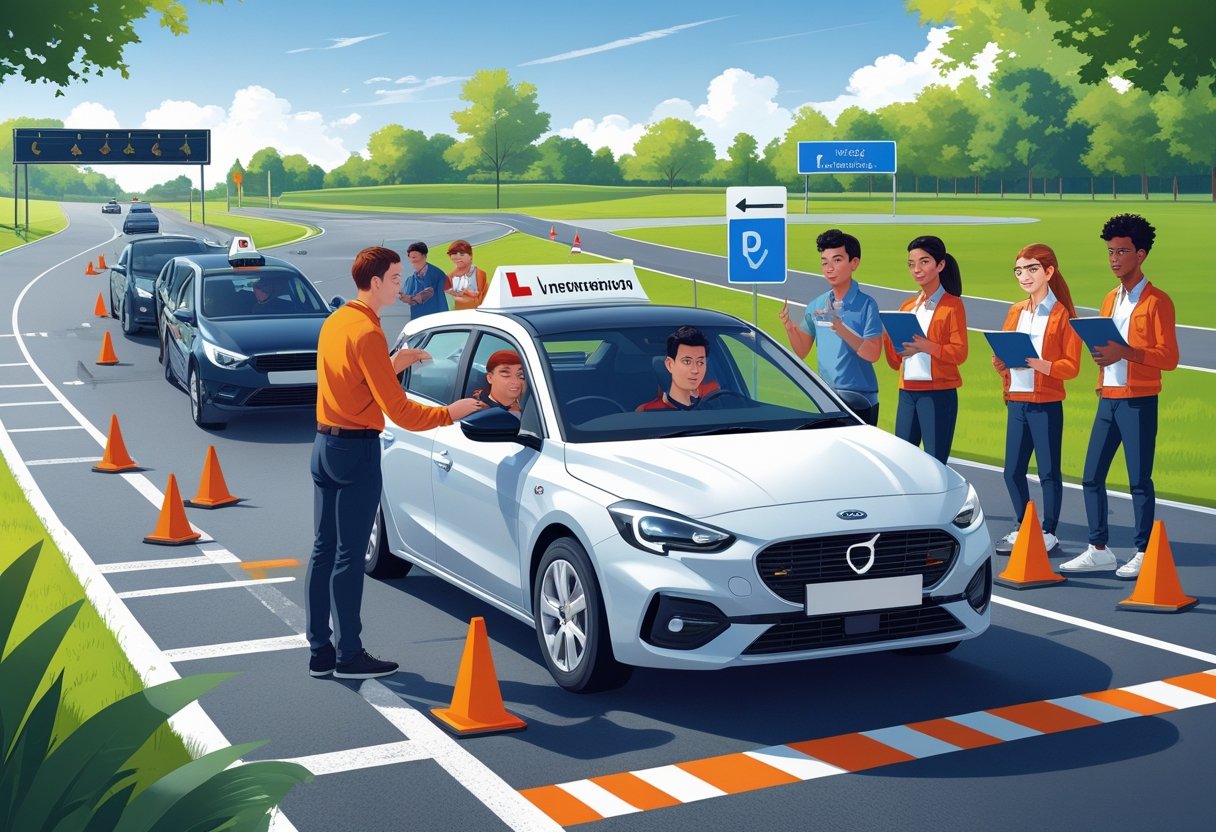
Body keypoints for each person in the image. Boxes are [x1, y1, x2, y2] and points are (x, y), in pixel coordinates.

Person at [308, 245, 485, 680]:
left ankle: (320, 652)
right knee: (350, 556)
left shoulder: (337, 321)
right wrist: (451, 412)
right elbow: (401, 412)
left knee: (323, 550)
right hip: (356, 452)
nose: (399, 285)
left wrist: (393, 363)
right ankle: (350, 655)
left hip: (324, 446)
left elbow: (353, 381)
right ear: (374, 283)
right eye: (393, 278)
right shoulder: (369, 332)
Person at [1061, 214, 1178, 578]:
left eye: (1122, 252)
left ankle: (1143, 551)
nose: (1114, 259)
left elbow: (1169, 358)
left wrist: (1124, 353)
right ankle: (1099, 549)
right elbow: (1108, 345)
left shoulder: (1158, 302)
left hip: (1139, 401)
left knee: (1138, 480)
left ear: (1140, 254)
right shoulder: (1110, 299)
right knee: (1091, 476)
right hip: (1108, 398)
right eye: (1110, 252)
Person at [991, 244, 1081, 555]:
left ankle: (1049, 531)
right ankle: (1024, 524)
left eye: (1031, 269)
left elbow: (1072, 366)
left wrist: (1043, 365)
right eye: (1019, 271)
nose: (1024, 276)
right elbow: (1003, 353)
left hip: (1046, 404)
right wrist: (1000, 363)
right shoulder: (1015, 311)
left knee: (1048, 472)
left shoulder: (1063, 315)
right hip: (1017, 400)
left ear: (1049, 272)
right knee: (1012, 470)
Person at [778, 228, 882, 425]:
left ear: (854, 263)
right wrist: (789, 326)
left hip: (860, 399)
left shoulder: (867, 305)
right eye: (824, 262)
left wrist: (840, 328)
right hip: (827, 396)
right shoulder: (817, 304)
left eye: (837, 260)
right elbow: (802, 350)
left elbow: (873, 353)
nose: (829, 268)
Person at [882, 235, 968, 464]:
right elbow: (895, 362)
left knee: (935, 462)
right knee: (903, 459)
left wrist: (926, 346)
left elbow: (959, 352)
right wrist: (886, 336)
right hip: (907, 391)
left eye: (924, 262)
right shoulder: (907, 306)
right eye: (911, 264)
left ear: (940, 265)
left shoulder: (952, 306)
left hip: (938, 393)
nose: (916, 270)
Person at [636, 325, 720, 411]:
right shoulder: (648, 410)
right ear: (670, 364)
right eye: (687, 362)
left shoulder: (715, 394)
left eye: (700, 362)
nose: (695, 370)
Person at [398, 241, 448, 319]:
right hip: (417, 319)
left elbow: (430, 293)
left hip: (436, 318)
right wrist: (402, 296)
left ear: (424, 256)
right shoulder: (410, 279)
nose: (413, 260)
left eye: (415, 257)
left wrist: (410, 298)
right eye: (410, 257)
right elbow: (405, 296)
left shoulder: (437, 274)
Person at [472, 349, 526, 417]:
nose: (515, 381)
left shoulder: (530, 403)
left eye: (521, 375)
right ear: (490, 378)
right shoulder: (477, 408)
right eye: (506, 375)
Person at [444, 239, 489, 310]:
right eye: (454, 254)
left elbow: (481, 297)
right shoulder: (450, 276)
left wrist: (465, 292)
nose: (458, 257)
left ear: (470, 256)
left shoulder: (479, 273)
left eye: (462, 254)